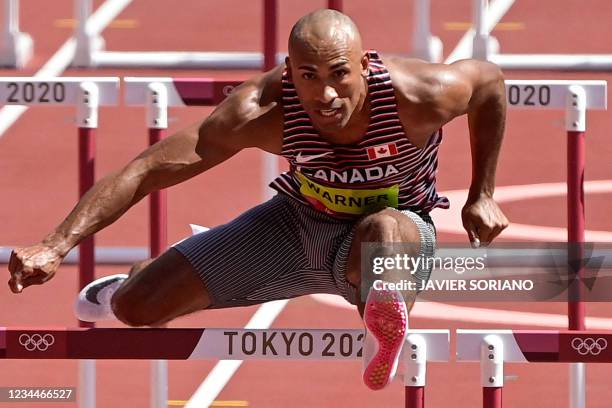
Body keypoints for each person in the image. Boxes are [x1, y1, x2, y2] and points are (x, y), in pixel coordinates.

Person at [7, 9, 508, 390]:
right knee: (137, 308)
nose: (326, 95)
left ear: (363, 63)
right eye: (308, 76)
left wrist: (481, 193)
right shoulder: (260, 111)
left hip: (392, 236)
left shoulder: (419, 94)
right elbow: (145, 170)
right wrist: (56, 244)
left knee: (382, 230)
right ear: (289, 70)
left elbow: (487, 82)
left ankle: (380, 319)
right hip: (293, 225)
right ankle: (134, 280)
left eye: (339, 74)